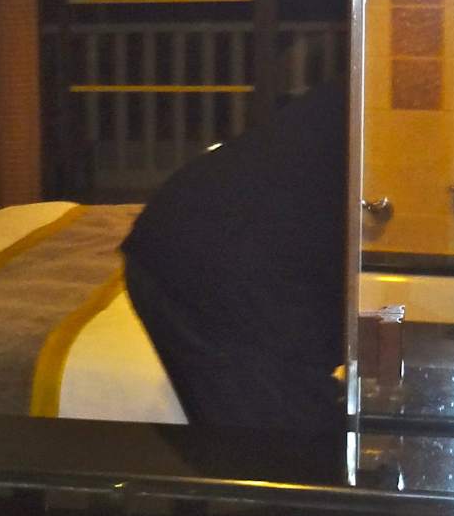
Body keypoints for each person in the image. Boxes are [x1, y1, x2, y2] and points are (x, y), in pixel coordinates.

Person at [122, 81, 349, 431]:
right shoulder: (387, 102)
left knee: (290, 441)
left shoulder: (376, 92)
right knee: (292, 450)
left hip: (196, 235)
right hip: (216, 269)